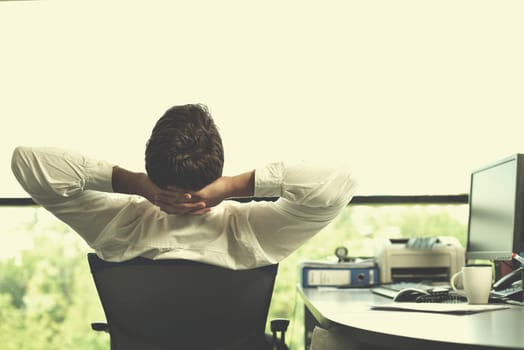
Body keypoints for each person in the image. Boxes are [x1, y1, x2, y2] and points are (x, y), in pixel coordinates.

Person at [11, 104, 356, 269]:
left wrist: (137, 185)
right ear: (218, 168)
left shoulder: (118, 228)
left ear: (150, 162)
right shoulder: (252, 234)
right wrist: (232, 187)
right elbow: (340, 181)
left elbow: (27, 161)